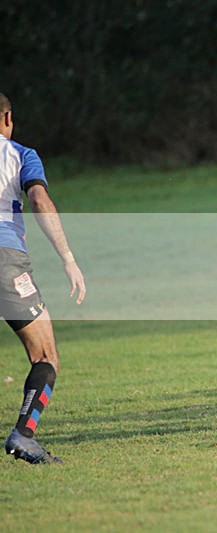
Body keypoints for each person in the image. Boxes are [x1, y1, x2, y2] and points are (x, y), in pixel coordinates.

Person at [1, 93, 86, 464]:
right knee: (45, 355)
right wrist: (67, 257)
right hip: (5, 260)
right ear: (8, 118)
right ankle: (24, 435)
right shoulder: (20, 154)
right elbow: (38, 199)